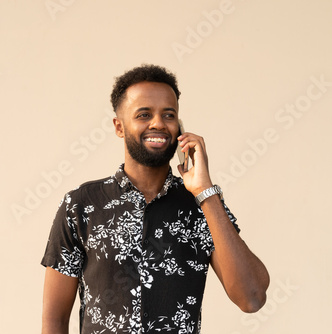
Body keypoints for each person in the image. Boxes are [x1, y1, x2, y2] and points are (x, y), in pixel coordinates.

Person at [41, 64, 270, 334]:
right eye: (144, 114)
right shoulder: (81, 205)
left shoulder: (201, 207)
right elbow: (55, 321)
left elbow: (252, 298)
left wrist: (205, 190)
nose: (158, 123)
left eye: (169, 115)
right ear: (119, 127)